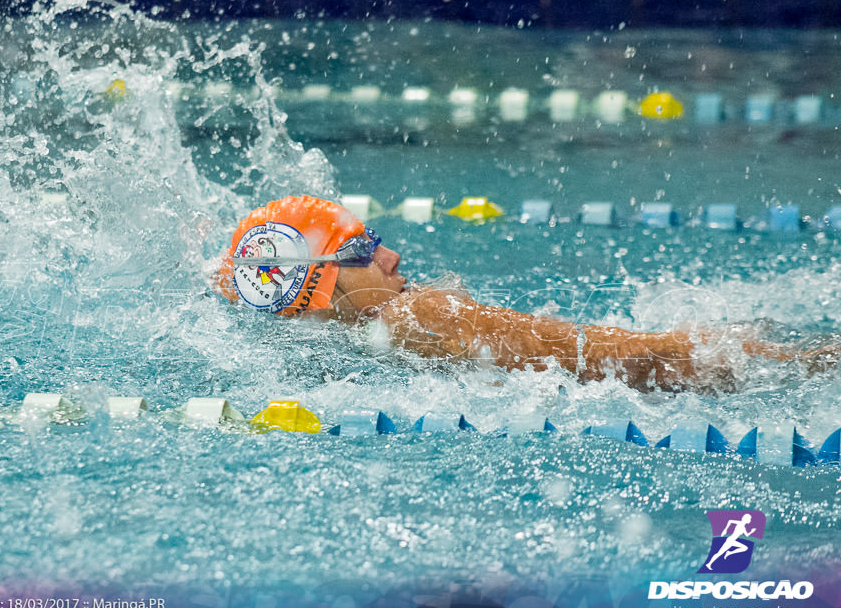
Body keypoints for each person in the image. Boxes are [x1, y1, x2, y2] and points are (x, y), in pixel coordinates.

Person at [215, 195, 839, 393]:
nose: (392, 256)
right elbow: (621, 359)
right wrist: (806, 361)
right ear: (318, 285)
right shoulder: (417, 315)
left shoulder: (313, 348)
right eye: (362, 248)